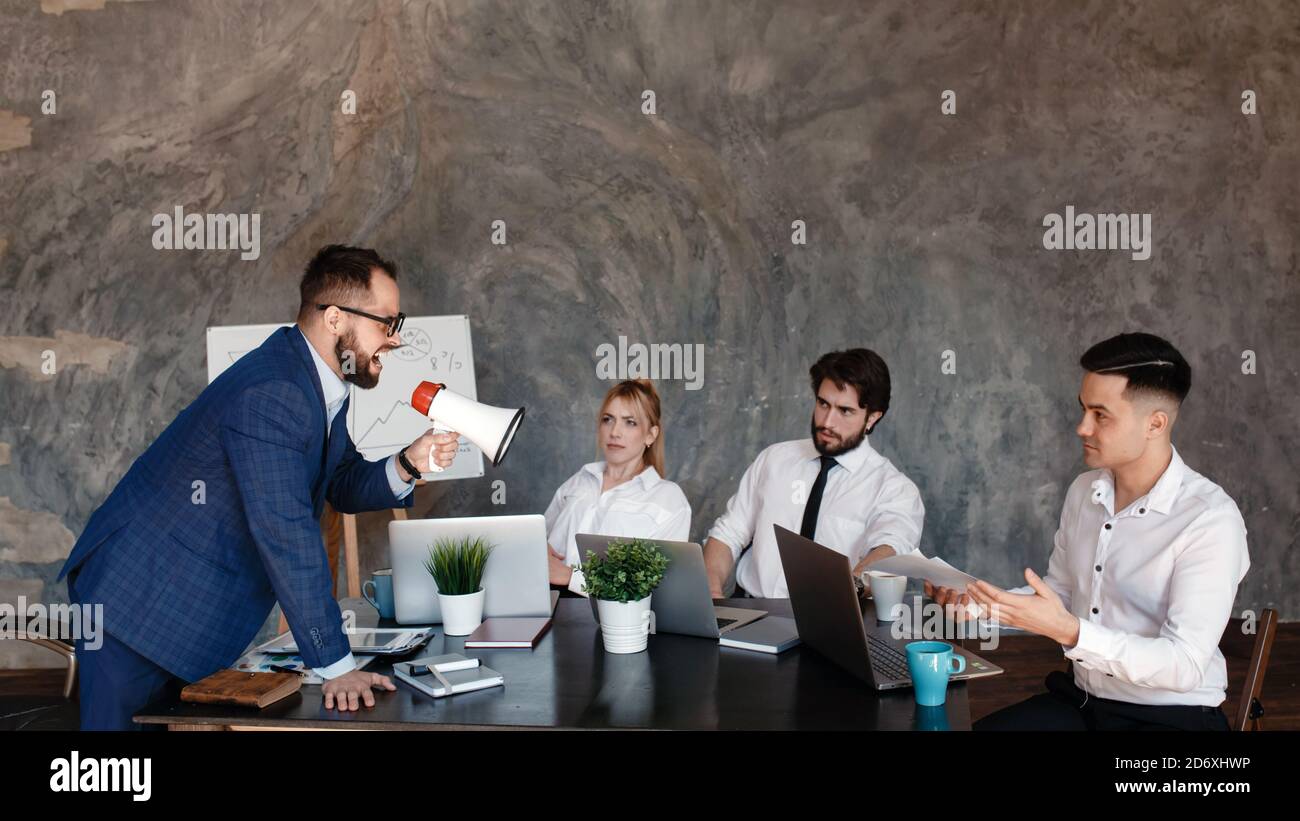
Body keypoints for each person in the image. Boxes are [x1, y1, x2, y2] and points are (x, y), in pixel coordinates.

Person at [57, 245, 461, 729]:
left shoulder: (316, 382)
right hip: (140, 601)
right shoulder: (277, 391)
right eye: (386, 323)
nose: (394, 340)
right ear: (335, 318)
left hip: (183, 607)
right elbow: (285, 531)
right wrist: (336, 666)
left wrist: (407, 463)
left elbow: (341, 483)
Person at [929, 332, 1249, 731]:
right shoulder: (1085, 491)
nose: (1082, 427)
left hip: (1173, 717)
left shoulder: (1210, 519)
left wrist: (1072, 632)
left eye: (1101, 415)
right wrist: (978, 605)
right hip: (1082, 702)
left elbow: (1183, 664)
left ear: (1155, 423)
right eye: (1083, 410)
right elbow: (1060, 594)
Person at [703, 349, 925, 599]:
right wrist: (711, 592)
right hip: (753, 612)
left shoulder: (895, 489)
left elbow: (889, 552)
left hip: (836, 622)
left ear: (872, 418)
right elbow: (728, 533)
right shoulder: (774, 459)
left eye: (845, 411)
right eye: (823, 404)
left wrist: (848, 591)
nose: (828, 422)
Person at [544, 379, 691, 596]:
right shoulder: (579, 480)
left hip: (613, 619)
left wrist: (569, 577)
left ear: (651, 434)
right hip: (548, 605)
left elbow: (654, 588)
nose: (615, 432)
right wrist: (538, 547)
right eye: (608, 419)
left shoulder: (668, 500)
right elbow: (540, 538)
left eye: (630, 422)